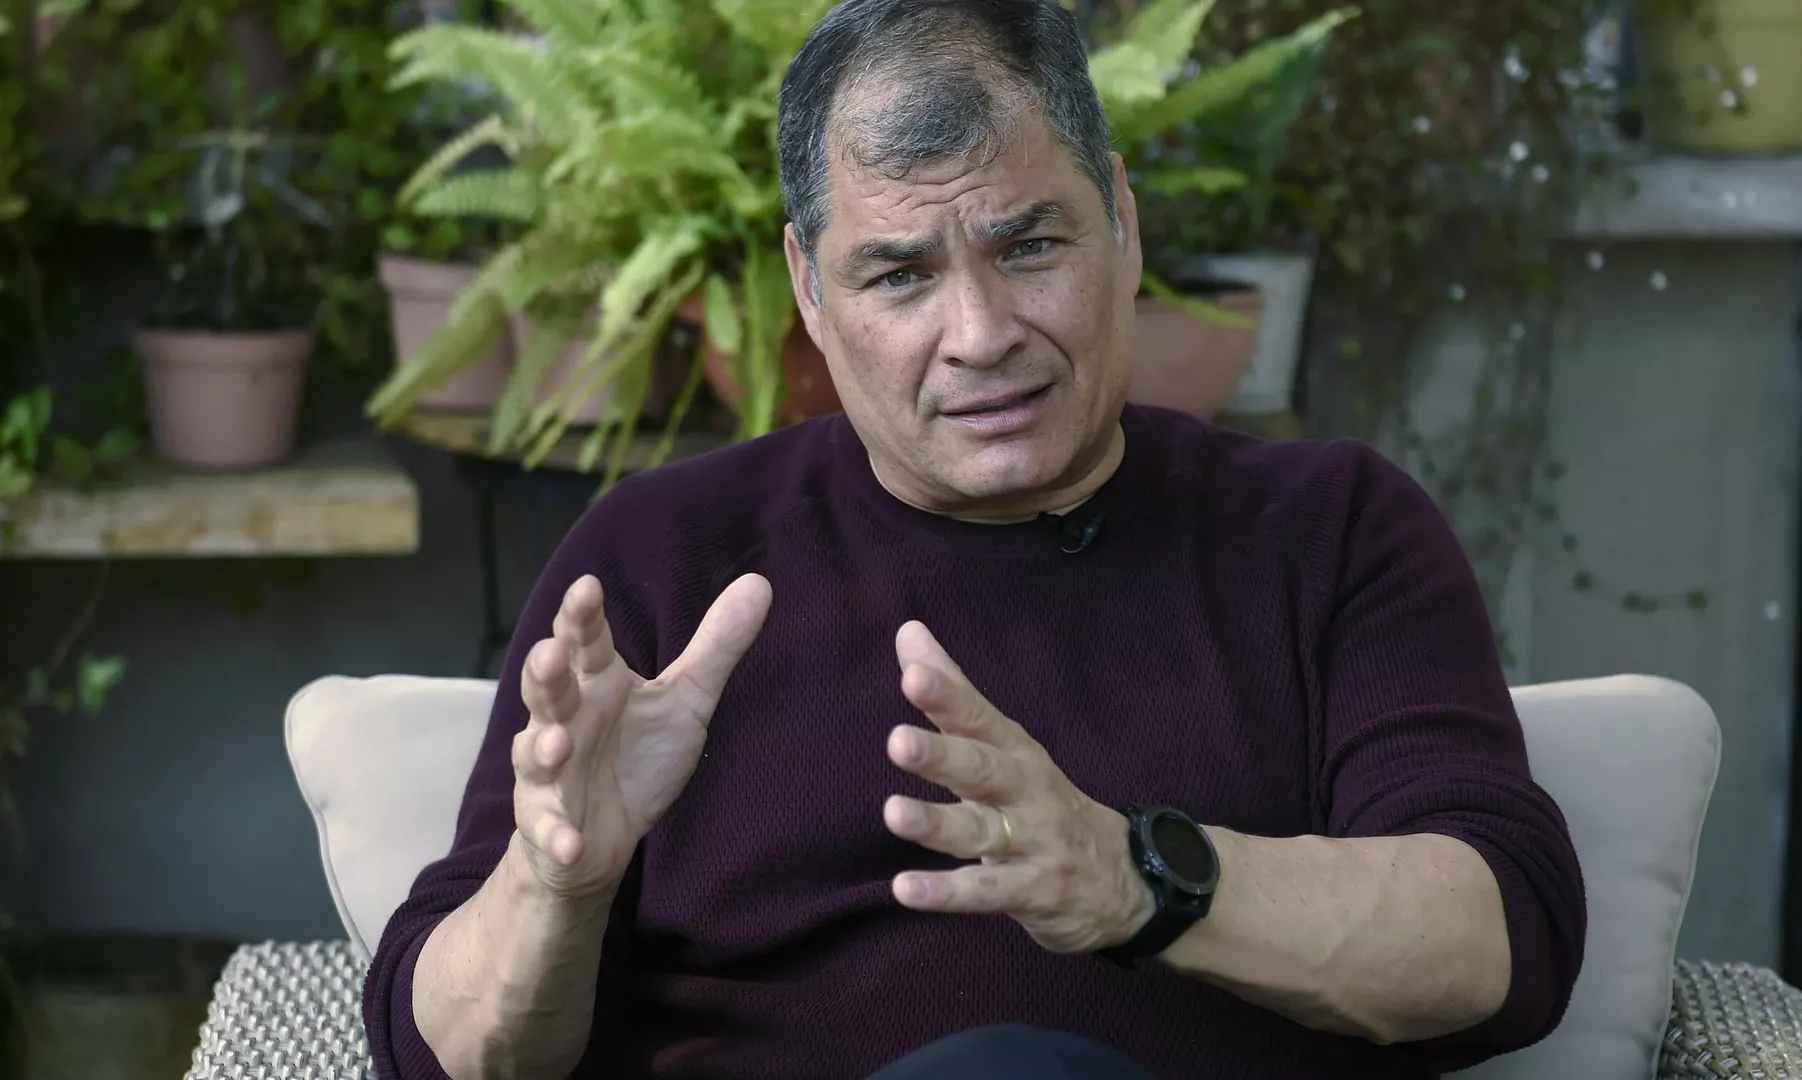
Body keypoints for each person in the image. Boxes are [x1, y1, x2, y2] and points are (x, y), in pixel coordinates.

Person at [361, 0, 1586, 1077]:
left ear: (1123, 222)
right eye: (899, 276)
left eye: (1029, 246)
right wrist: (557, 885)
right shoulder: (659, 562)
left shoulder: (1325, 531)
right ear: (809, 292)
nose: (981, 333)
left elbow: (1504, 942)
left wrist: (1136, 881)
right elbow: (440, 1054)